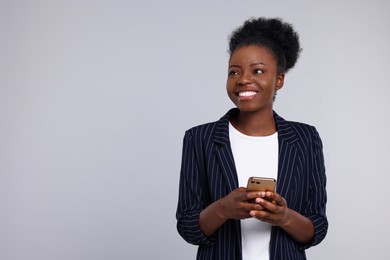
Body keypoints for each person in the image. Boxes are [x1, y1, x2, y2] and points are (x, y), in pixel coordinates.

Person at [176, 17, 328, 260]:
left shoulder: (305, 138)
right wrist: (223, 209)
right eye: (234, 72)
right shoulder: (200, 138)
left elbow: (317, 227)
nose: (243, 79)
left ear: (279, 79)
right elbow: (187, 226)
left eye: (257, 70)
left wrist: (284, 217)